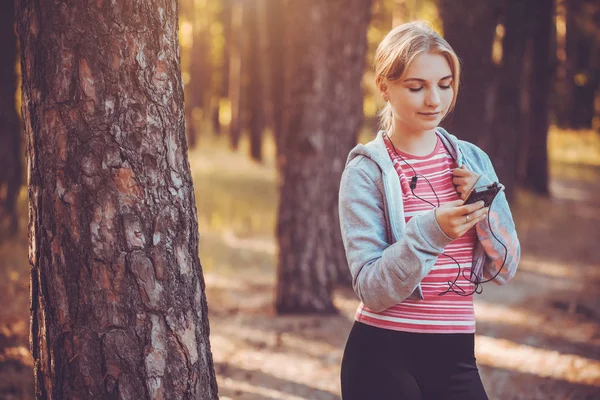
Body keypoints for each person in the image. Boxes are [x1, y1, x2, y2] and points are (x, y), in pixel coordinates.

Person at [338, 21, 520, 400]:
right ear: (384, 87)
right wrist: (431, 232)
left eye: (444, 84)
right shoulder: (366, 171)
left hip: (456, 356)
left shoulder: (473, 160)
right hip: (381, 357)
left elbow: (505, 267)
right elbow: (371, 289)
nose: (434, 100)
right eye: (416, 87)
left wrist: (488, 202)